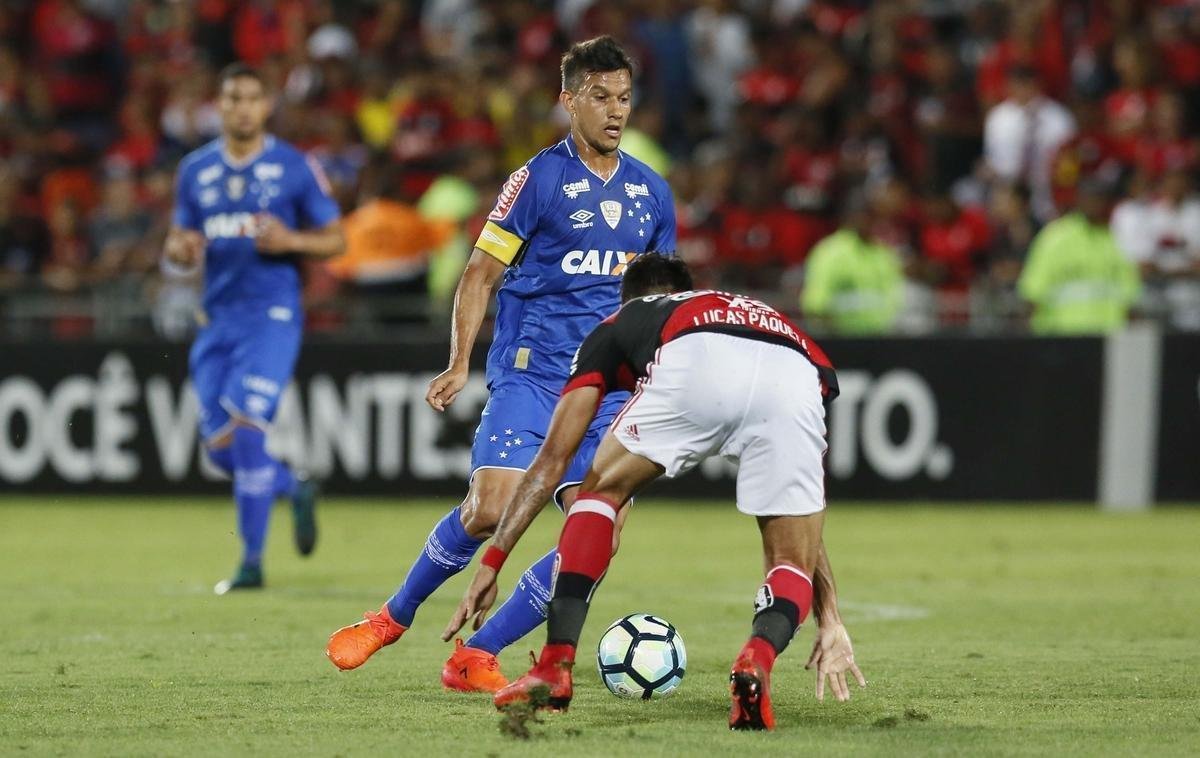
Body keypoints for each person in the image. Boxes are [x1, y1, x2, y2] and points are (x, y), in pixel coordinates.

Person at [325, 36, 677, 693]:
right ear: (568, 101)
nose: (614, 111)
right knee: (490, 508)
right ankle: (391, 616)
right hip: (534, 369)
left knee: (597, 535)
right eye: (599, 97)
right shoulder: (537, 179)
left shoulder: (652, 194)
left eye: (624, 98)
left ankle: (476, 654)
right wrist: (459, 362)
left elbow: (657, 299)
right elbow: (481, 273)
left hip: (604, 390)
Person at [444, 254, 865, 731]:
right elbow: (804, 518)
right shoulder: (749, 308)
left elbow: (552, 462)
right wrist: (830, 618)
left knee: (598, 493)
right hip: (798, 368)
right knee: (791, 551)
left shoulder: (622, 321)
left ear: (628, 298)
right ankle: (757, 659)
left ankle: (554, 668)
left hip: (694, 355)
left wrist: (494, 560)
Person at [164, 63, 346, 594]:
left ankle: (250, 564)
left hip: (271, 320)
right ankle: (295, 487)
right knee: (219, 449)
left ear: (265, 106)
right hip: (216, 321)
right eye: (231, 97)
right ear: (219, 106)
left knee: (247, 430)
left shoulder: (293, 166)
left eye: (250, 98)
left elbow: (336, 240)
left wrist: (292, 242)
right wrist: (179, 249)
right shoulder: (195, 170)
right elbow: (178, 239)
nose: (241, 107)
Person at [1018, 177, 1140, 334]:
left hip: (1107, 336)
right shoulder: (1055, 238)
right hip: (1061, 337)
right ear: (1078, 200)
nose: (1095, 204)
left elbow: (1130, 296)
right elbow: (1032, 294)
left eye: (1100, 199)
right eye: (1090, 198)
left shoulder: (1115, 241)